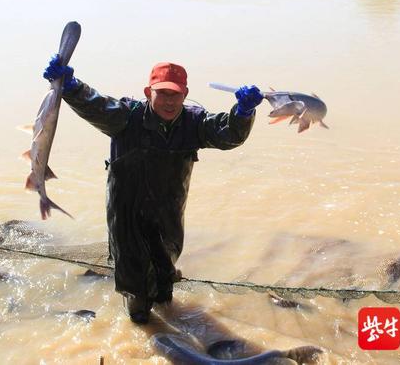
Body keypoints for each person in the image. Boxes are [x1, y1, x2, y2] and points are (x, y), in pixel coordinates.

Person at [43, 56, 263, 324]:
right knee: (135, 289)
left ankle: (162, 296)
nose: (169, 101)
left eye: (176, 95)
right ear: (149, 92)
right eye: (163, 93)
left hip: (168, 210)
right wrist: (71, 86)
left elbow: (229, 135)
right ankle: (138, 315)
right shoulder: (125, 116)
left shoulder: (194, 123)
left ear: (185, 95)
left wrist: (243, 113)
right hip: (127, 211)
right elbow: (95, 105)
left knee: (164, 277)